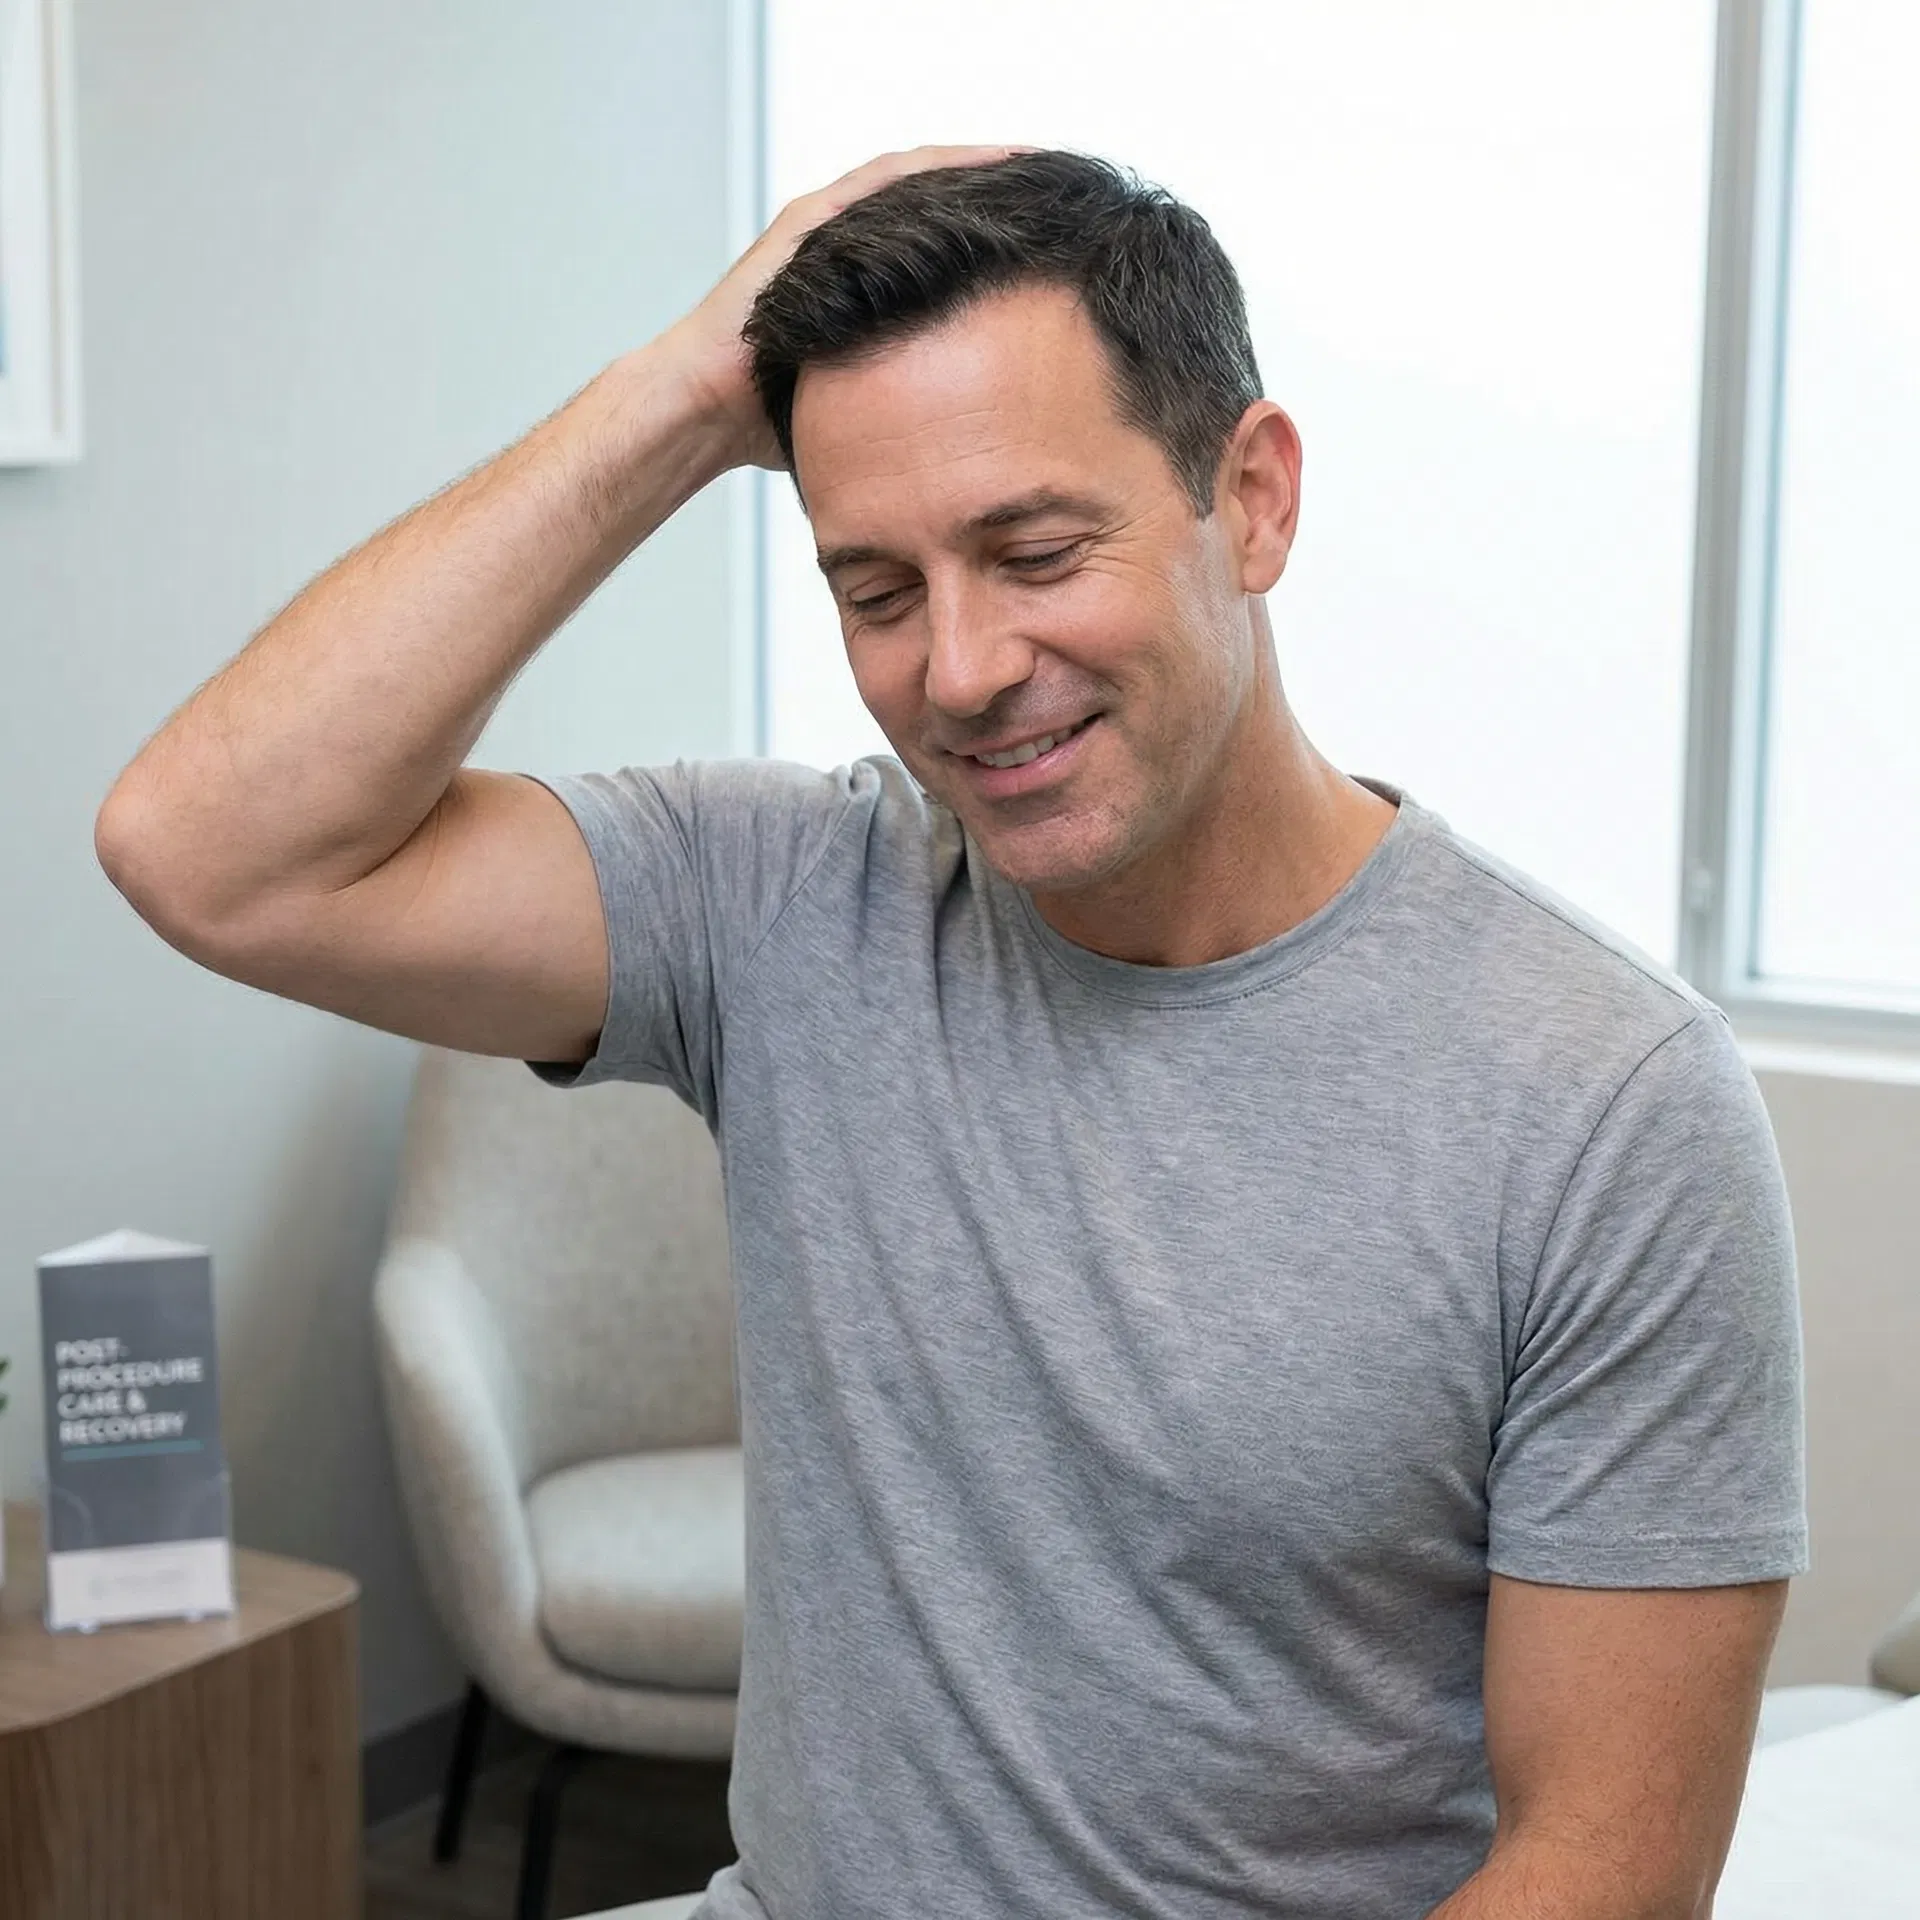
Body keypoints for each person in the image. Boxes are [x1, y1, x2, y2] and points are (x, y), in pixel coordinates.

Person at [96, 147, 1807, 1919]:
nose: (966, 668)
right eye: (879, 592)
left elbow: (1599, 1871)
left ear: (1256, 499)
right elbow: (212, 854)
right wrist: (687, 390)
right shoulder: (778, 903)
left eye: (1036, 551)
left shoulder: (1607, 1102)